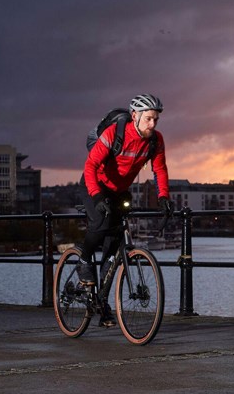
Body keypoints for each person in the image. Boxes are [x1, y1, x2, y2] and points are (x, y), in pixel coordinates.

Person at [77, 93, 173, 327]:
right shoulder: (115, 134)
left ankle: (101, 304)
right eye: (149, 119)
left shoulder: (155, 141)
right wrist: (97, 195)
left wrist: (163, 198)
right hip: (95, 186)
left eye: (156, 120)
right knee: (100, 226)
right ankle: (83, 259)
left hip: (119, 192)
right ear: (135, 116)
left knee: (112, 253)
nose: (153, 124)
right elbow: (90, 165)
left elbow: (159, 169)